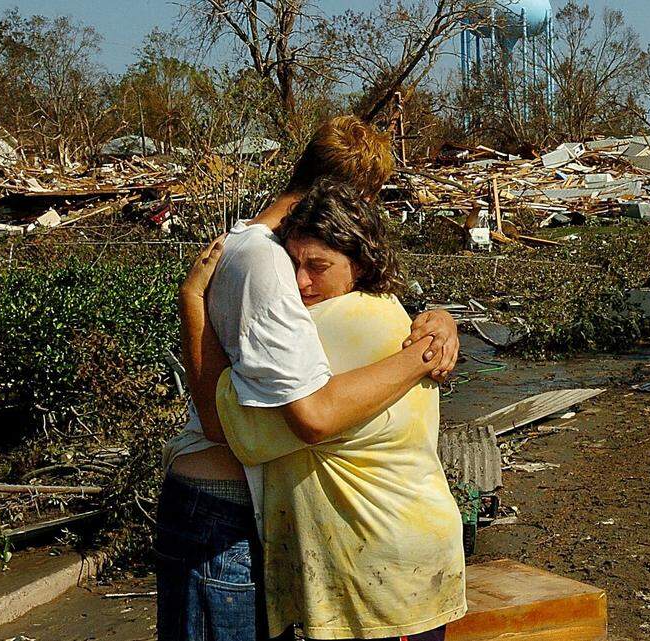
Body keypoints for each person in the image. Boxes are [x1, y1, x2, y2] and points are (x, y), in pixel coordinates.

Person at [158, 116, 458, 641]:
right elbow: (307, 415)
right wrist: (423, 353)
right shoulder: (270, 265)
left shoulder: (246, 245)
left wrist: (439, 321)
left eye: (316, 266)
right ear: (352, 198)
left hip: (241, 507)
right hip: (225, 511)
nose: (304, 282)